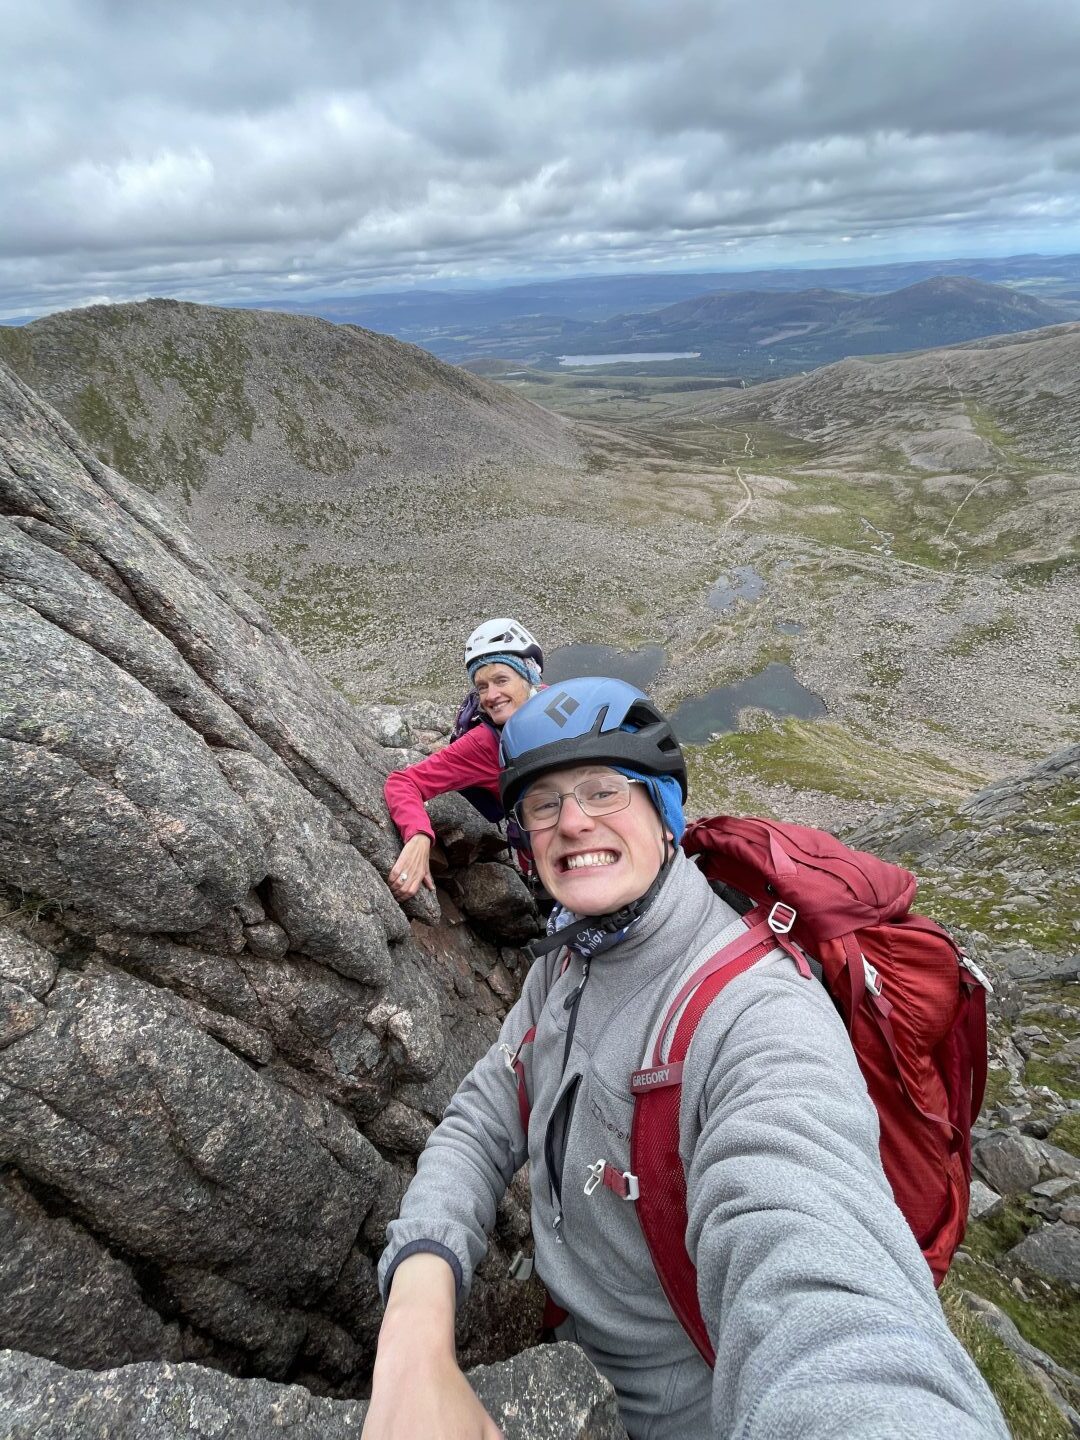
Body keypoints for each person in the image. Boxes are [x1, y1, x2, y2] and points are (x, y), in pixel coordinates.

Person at [366, 678, 1008, 1440]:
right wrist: (413, 1324)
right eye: (543, 803)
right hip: (571, 1355)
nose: (573, 822)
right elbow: (479, 1121)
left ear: (665, 812)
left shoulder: (760, 1017)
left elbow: (817, 1273)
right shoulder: (569, 958)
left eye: (606, 791)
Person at [384, 618, 543, 902]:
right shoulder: (483, 744)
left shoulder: (561, 705)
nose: (491, 696)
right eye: (482, 687)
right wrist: (419, 835)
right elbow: (404, 782)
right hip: (549, 870)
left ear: (529, 676)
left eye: (501, 680)